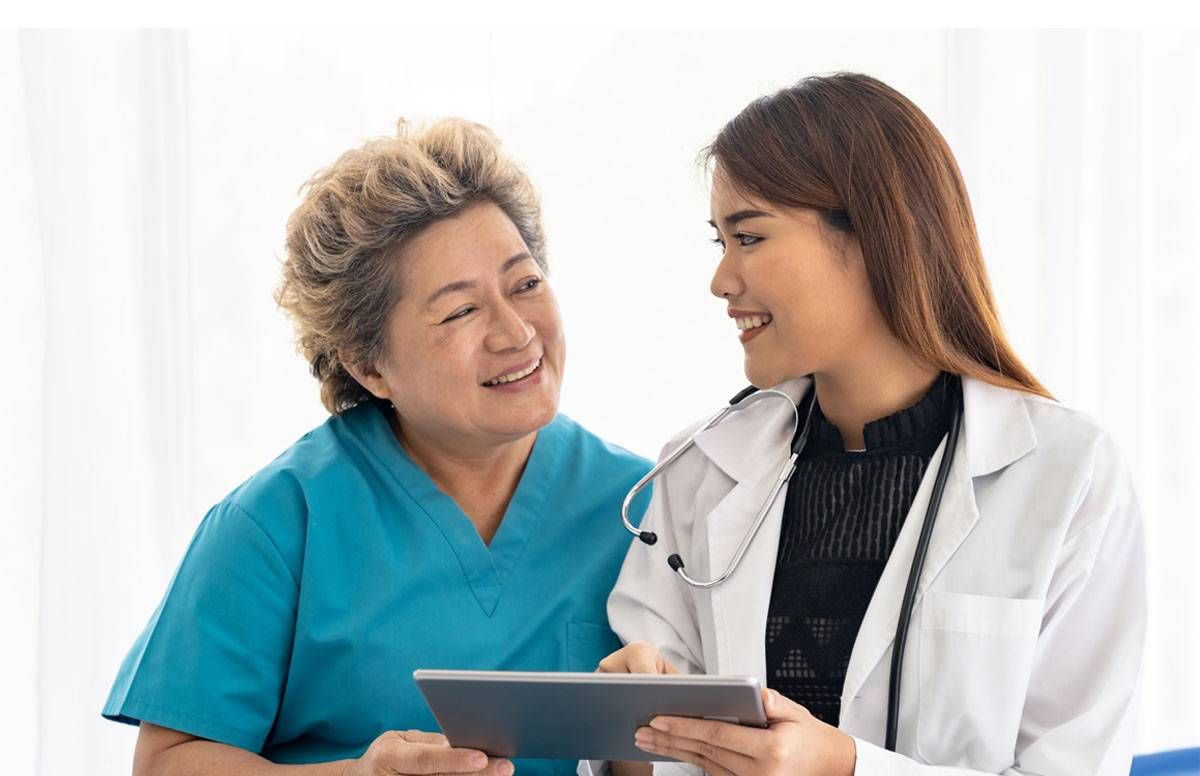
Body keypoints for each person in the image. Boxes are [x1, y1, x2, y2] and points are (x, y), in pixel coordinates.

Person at [592, 73, 1146, 776]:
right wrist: (632, 738)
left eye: (750, 237)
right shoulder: (701, 469)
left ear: (877, 232)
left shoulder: (1067, 475)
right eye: (720, 243)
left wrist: (847, 767)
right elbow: (648, 756)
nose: (722, 280)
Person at [103, 118, 651, 776]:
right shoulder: (278, 523)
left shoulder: (644, 510)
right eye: (459, 311)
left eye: (525, 284)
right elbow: (168, 762)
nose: (515, 332)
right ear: (370, 366)